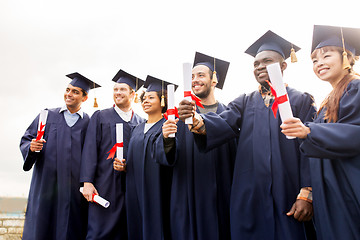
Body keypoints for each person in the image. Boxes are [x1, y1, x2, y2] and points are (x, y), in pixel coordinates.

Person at [177, 31, 317, 240]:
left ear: (283, 66)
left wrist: (307, 193)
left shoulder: (301, 100)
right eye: (256, 64)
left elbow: (311, 149)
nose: (260, 67)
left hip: (288, 191)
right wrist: (198, 121)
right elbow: (223, 121)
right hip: (251, 195)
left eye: (267, 61)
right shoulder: (245, 102)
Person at [281, 25, 360, 240]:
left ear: (347, 57)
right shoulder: (329, 100)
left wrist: (309, 130)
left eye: (326, 55)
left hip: (349, 187)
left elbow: (355, 133)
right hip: (331, 191)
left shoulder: (356, 88)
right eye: (315, 60)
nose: (319, 63)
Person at [160, 52, 236, 240]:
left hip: (223, 196)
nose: (195, 80)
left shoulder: (230, 115)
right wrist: (167, 139)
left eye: (201, 75)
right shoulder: (179, 118)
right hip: (189, 194)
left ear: (214, 80)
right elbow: (168, 157)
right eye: (192, 77)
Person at [20, 72, 100, 240]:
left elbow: (94, 152)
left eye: (75, 92)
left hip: (73, 189)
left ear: (85, 98)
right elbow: (27, 139)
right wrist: (31, 147)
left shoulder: (88, 122)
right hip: (46, 184)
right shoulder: (47, 116)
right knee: (42, 225)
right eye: (68, 90)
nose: (69, 94)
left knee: (72, 227)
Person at [80, 69, 144, 240]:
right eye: (115, 89)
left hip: (130, 185)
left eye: (122, 89)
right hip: (104, 183)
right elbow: (89, 149)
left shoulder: (140, 122)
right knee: (99, 230)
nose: (118, 92)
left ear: (133, 94)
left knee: (127, 229)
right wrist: (87, 182)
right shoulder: (101, 116)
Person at [114, 76, 177, 240]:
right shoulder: (136, 128)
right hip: (133, 187)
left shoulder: (168, 126)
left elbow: (171, 156)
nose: (145, 101)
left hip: (157, 187)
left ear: (163, 100)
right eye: (144, 98)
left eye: (151, 97)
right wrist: (123, 165)